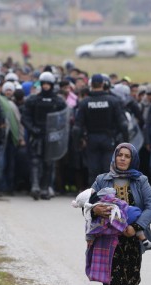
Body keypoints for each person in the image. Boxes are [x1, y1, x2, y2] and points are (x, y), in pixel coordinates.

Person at [89, 143, 151, 285]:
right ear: (114, 157)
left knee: (131, 281)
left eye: (127, 156)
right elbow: (87, 203)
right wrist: (95, 210)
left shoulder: (141, 180)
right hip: (108, 240)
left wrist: (136, 227)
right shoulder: (102, 180)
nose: (122, 159)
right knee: (111, 283)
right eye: (119, 155)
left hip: (131, 240)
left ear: (133, 159)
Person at [72, 74, 129, 186]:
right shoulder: (113, 101)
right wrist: (126, 142)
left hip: (91, 139)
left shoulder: (85, 102)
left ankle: (93, 197)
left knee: (93, 171)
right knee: (108, 170)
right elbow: (123, 124)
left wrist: (77, 143)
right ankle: (107, 198)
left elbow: (77, 127)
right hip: (109, 139)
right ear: (103, 84)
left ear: (91, 85)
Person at [21, 71, 67, 200]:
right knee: (35, 162)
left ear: (52, 85)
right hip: (37, 135)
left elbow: (64, 119)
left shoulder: (58, 101)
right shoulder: (33, 99)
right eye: (44, 84)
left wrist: (57, 132)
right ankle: (35, 186)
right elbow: (25, 117)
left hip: (51, 137)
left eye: (48, 84)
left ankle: (45, 188)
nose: (46, 86)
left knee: (49, 163)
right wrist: (32, 129)